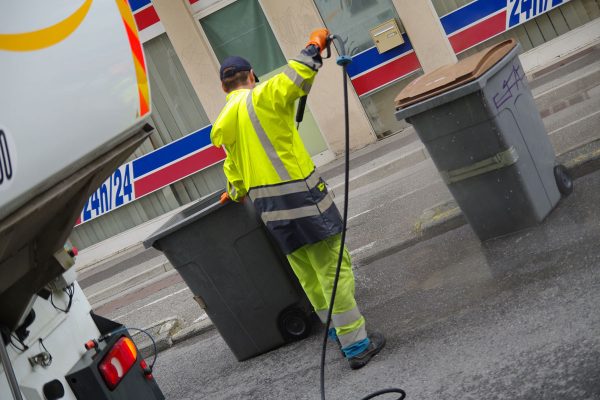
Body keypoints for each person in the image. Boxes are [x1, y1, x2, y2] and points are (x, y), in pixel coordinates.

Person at [210, 28, 385, 370]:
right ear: (251, 76)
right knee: (334, 268)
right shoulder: (260, 96)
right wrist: (315, 43)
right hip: (304, 201)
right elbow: (298, 73)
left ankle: (336, 334)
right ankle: (357, 344)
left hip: (272, 214)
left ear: (223, 88)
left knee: (308, 274)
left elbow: (234, 176)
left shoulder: (224, 122)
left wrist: (231, 194)